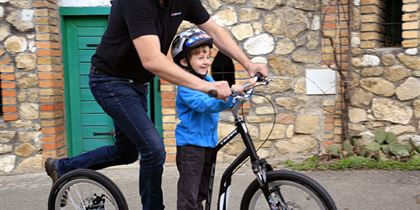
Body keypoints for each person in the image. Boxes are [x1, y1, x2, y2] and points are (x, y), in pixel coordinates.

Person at [44, 0, 268, 209]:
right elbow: (151, 60)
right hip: (109, 81)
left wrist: (248, 63)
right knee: (153, 149)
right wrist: (206, 86)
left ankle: (62, 168)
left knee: (126, 152)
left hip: (138, 84)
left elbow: (214, 31)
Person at [171, 29, 240, 210]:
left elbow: (217, 95)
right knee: (189, 196)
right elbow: (204, 104)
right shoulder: (185, 85)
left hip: (207, 144)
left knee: (201, 193)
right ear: (185, 61)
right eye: (200, 58)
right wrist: (228, 97)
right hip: (191, 146)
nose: (206, 61)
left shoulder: (208, 78)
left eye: (208, 56)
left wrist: (244, 88)